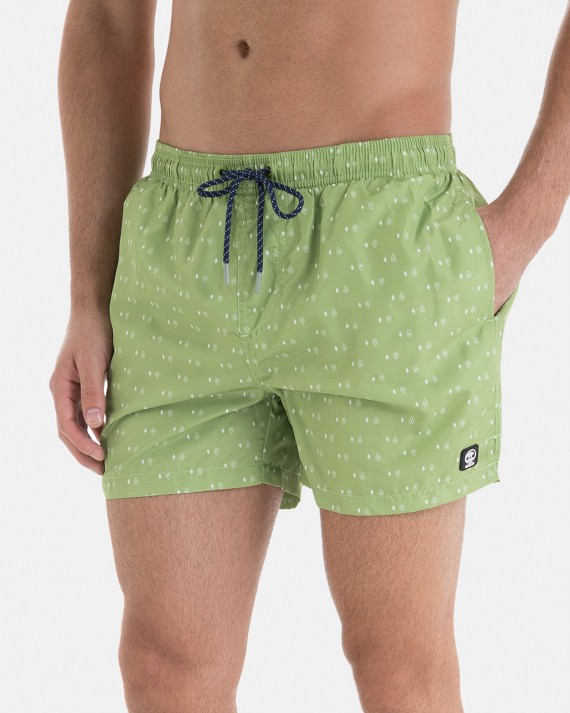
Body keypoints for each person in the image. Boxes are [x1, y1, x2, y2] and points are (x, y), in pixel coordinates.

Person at [49, 1, 569, 711]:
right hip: (182, 248)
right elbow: (108, 17)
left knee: (398, 664)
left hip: (382, 244)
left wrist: (526, 223)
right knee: (165, 663)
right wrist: (87, 294)